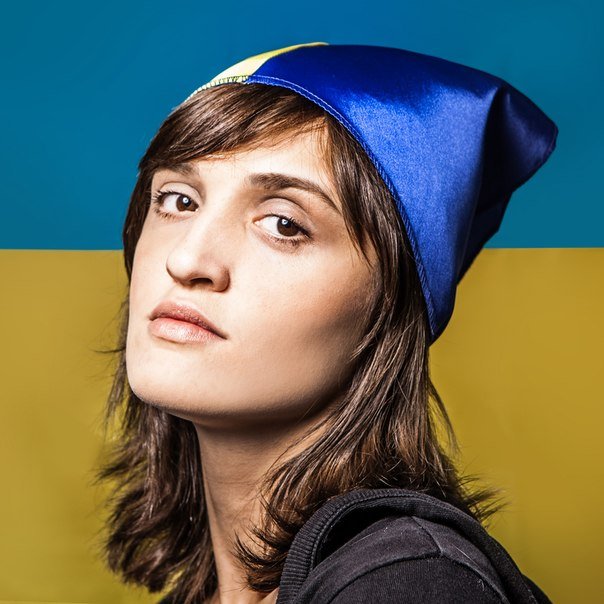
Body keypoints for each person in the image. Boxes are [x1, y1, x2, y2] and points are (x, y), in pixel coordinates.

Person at [95, 43, 557, 603]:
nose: (187, 259)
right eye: (179, 200)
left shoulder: (410, 585)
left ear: (386, 311)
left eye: (284, 224)